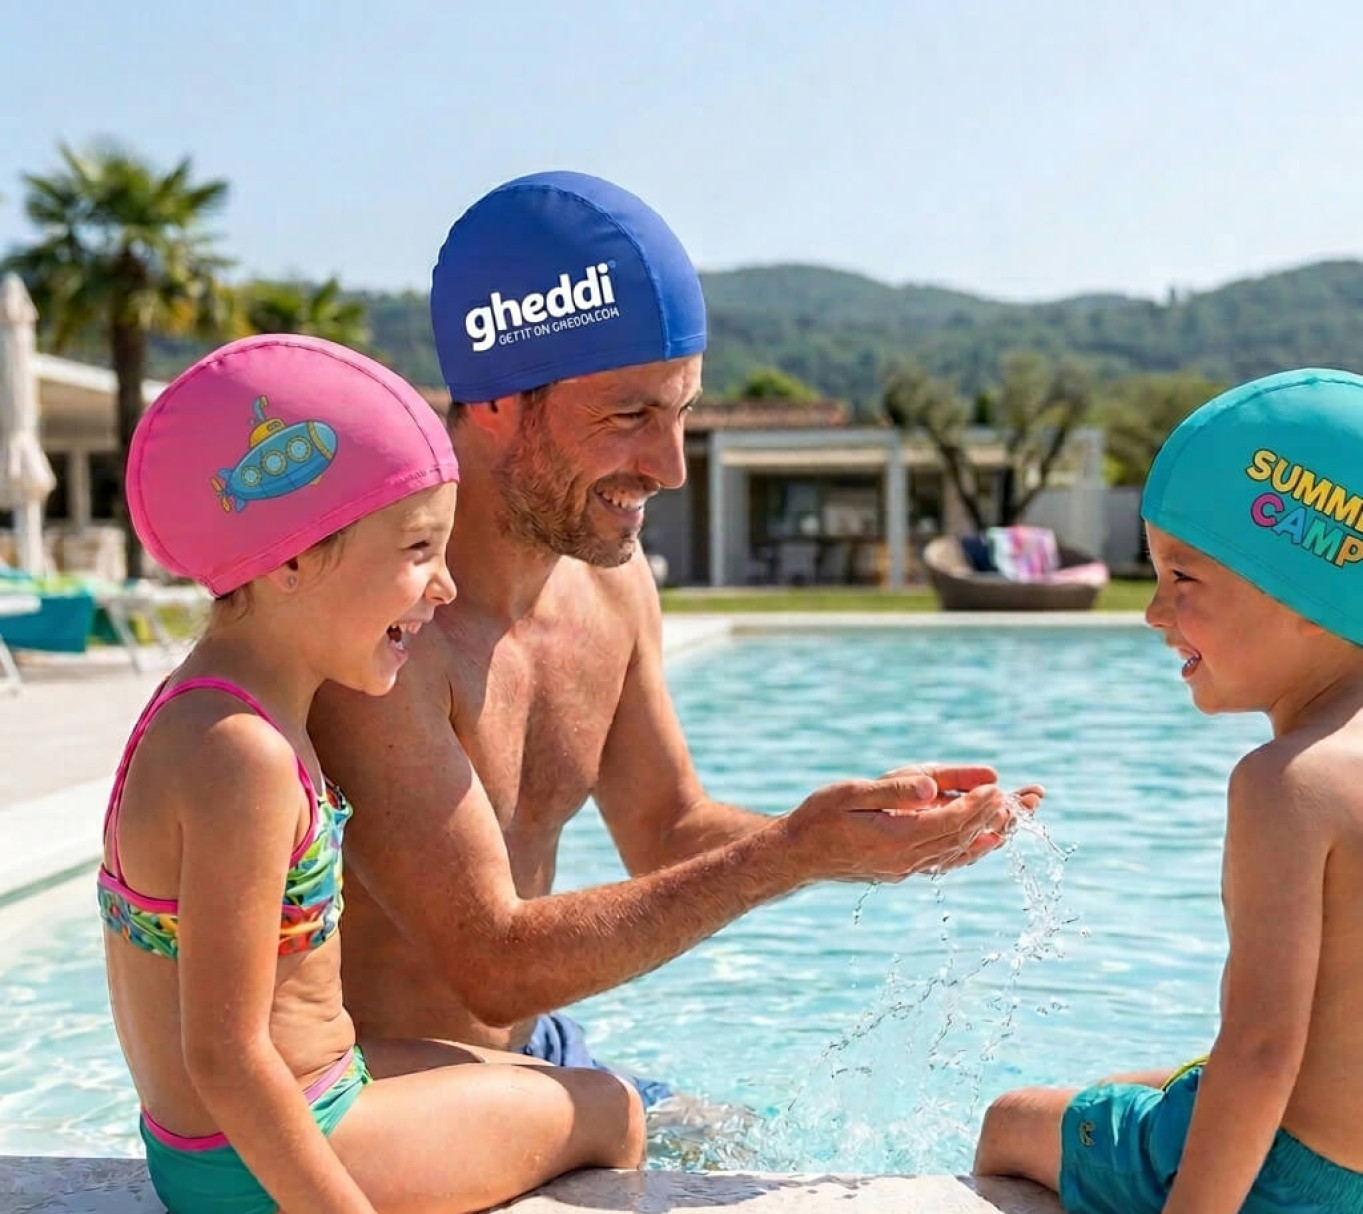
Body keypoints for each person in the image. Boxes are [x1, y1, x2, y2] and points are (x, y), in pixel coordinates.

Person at [310, 171, 1037, 1105]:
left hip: (540, 1056)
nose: (670, 467)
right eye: (628, 418)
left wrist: (856, 837)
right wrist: (789, 856)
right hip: (394, 1101)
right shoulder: (380, 624)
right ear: (493, 400)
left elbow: (666, 829)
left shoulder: (610, 590)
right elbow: (485, 963)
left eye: (681, 411)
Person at [101, 334, 644, 1214]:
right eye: (416, 551)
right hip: (254, 1167)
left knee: (502, 1060)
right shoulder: (244, 756)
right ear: (297, 559)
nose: (442, 587)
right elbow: (221, 1050)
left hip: (257, 1125)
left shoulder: (219, 708)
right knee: (609, 1108)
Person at [975, 367, 1363, 1214]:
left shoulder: (1287, 784)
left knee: (1010, 1120)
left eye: (1182, 576)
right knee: (1145, 1076)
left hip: (1291, 1199)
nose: (1153, 612)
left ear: (1303, 583)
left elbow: (1264, 1047)